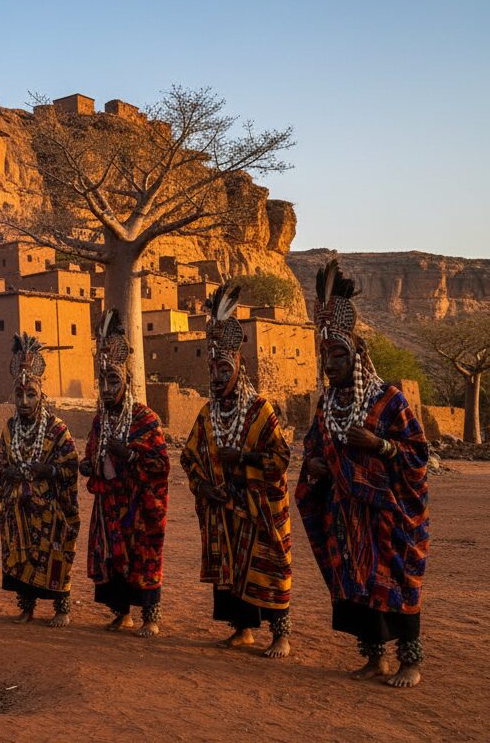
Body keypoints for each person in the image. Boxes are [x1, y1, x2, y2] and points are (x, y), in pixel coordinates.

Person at [297, 259, 430, 688]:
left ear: (357, 355)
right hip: (344, 515)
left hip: (387, 516)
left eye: (338, 354)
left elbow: (417, 454)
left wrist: (379, 445)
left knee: (398, 582)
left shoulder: (388, 399)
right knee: (356, 585)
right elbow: (313, 447)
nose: (330, 364)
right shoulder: (326, 406)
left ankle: (410, 661)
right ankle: (375, 659)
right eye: (325, 356)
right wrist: (314, 466)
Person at [181, 284, 293, 658]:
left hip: (259, 509)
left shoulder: (261, 410)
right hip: (223, 510)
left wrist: (243, 460)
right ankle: (243, 630)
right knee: (234, 572)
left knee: (269, 566)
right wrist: (204, 488)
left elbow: (281, 459)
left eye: (223, 368)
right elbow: (189, 457)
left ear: (239, 367)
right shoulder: (207, 413)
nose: (216, 376)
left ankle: (281, 635)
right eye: (211, 368)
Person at [82, 309, 170, 638]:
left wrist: (130, 453)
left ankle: (150, 616)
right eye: (102, 380)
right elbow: (92, 449)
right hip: (109, 503)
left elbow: (160, 463)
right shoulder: (100, 419)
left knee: (143, 555)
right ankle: (122, 614)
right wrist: (88, 464)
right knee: (112, 559)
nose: (106, 388)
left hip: (138, 505)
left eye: (113, 380)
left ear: (127, 380)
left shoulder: (145, 418)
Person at [0, 333, 82, 627]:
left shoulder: (57, 429)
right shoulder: (9, 429)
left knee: (55, 553)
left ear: (41, 394)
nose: (24, 401)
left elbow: (71, 467)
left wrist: (50, 472)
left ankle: (62, 607)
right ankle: (27, 606)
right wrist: (8, 474)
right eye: (19, 395)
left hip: (50, 510)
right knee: (22, 558)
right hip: (19, 510)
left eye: (30, 394)